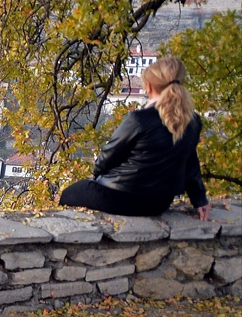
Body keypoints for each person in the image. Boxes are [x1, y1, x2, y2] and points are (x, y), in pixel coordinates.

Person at [58, 57, 210, 219]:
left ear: (149, 87)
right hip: (159, 202)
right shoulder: (192, 121)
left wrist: (97, 177)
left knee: (67, 194)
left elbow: (106, 159)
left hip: (120, 198)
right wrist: (200, 199)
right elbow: (190, 163)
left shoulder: (139, 119)